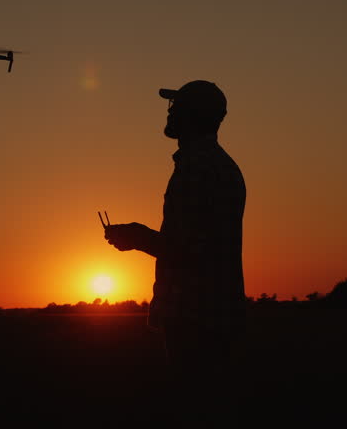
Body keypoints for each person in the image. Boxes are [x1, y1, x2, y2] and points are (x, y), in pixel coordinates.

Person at [104, 80, 246, 406]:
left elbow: (189, 250)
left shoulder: (197, 168)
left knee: (194, 407)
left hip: (195, 316)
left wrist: (138, 236)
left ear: (192, 115)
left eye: (176, 106)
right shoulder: (220, 165)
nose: (170, 112)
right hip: (216, 313)